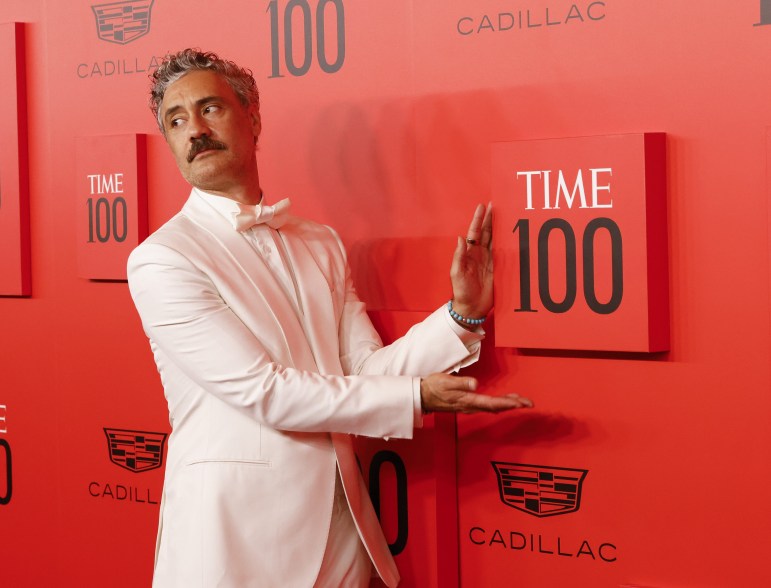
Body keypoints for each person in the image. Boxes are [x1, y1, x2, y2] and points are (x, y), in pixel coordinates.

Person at [127, 48, 533, 588]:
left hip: (343, 531)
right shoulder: (164, 258)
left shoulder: (319, 242)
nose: (194, 130)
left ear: (253, 118)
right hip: (233, 543)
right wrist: (417, 398)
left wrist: (461, 316)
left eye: (210, 109)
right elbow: (263, 391)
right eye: (176, 121)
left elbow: (363, 369)